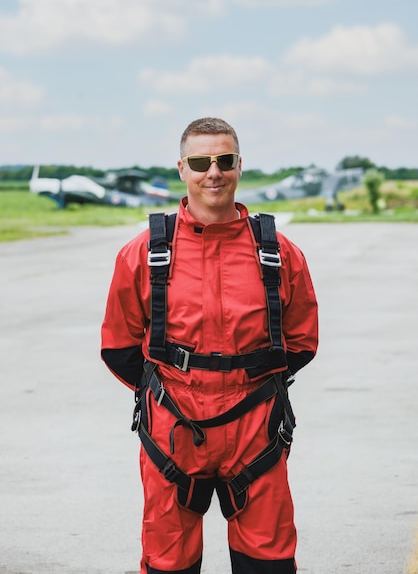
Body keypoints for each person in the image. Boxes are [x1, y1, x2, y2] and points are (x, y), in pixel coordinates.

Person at [101, 117, 318, 574]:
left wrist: (253, 387)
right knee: (167, 562)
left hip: (256, 427)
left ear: (240, 166)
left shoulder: (278, 253)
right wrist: (167, 394)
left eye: (224, 160)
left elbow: (301, 339)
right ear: (182, 168)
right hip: (172, 430)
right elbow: (118, 345)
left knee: (269, 560)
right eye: (201, 162)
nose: (213, 172)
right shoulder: (142, 254)